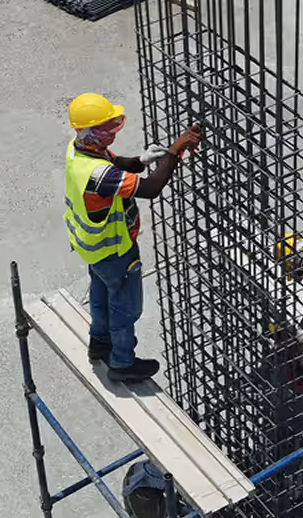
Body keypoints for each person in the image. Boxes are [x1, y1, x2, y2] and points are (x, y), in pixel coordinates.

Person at [63, 92, 201, 382]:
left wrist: (141, 159)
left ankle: (99, 345)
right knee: (125, 305)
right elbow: (150, 189)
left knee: (100, 294)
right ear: (90, 131)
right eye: (107, 128)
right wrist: (175, 151)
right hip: (114, 250)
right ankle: (123, 363)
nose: (112, 133)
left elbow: (116, 163)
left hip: (92, 249)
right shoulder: (97, 173)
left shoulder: (79, 151)